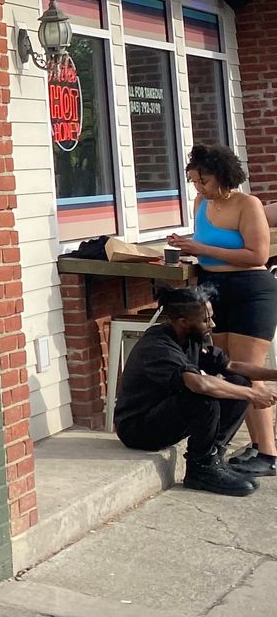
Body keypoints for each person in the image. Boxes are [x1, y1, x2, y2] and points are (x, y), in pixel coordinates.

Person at [166, 144, 277, 476]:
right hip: (213, 288)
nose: (198, 189)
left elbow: (256, 255)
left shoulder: (247, 204)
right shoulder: (202, 204)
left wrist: (199, 247)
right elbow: (208, 242)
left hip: (250, 290)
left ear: (223, 176)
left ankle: (268, 452)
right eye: (194, 182)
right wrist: (186, 246)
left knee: (248, 371)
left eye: (203, 181)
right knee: (226, 370)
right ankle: (229, 445)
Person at [114, 286, 277, 495]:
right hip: (138, 429)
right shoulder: (158, 346)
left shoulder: (190, 338)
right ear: (183, 321)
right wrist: (253, 395)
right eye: (206, 320)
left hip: (165, 414)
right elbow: (198, 385)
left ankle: (213, 457)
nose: (213, 324)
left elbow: (232, 367)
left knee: (240, 382)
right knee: (203, 398)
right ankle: (200, 469)